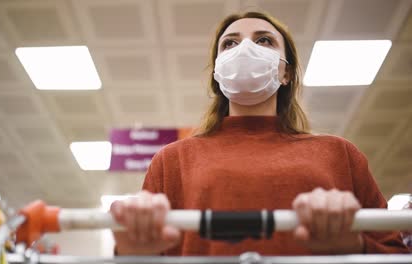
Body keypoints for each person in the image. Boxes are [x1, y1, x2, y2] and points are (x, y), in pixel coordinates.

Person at [110, 11, 409, 255]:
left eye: (264, 40)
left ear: (286, 72)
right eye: (229, 44)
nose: (245, 50)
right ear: (217, 71)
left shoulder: (340, 154)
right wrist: (131, 253)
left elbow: (394, 252)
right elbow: (144, 251)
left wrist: (354, 247)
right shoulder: (172, 160)